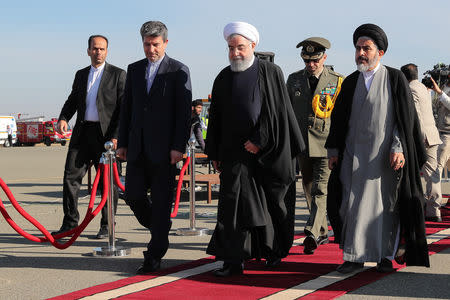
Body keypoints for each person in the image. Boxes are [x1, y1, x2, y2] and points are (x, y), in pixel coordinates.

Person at [325, 24, 429, 274]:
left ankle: (384, 256)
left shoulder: (394, 79)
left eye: (366, 48)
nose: (361, 53)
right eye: (358, 48)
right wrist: (334, 151)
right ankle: (353, 256)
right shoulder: (350, 82)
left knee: (384, 208)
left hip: (384, 158)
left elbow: (403, 121)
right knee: (349, 206)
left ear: (380, 53)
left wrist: (399, 147)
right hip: (353, 155)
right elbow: (338, 120)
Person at [205, 21, 304, 277]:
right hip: (233, 154)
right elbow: (215, 118)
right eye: (230, 48)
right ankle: (233, 259)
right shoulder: (223, 77)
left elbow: (277, 111)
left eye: (240, 47)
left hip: (265, 154)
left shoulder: (270, 72)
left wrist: (260, 139)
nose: (235, 53)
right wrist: (214, 152)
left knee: (271, 204)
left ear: (253, 45)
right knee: (232, 205)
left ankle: (271, 251)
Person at [116, 21, 192, 274]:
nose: (151, 49)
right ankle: (160, 230)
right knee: (133, 196)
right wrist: (123, 143)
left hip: (165, 151)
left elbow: (183, 114)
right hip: (136, 148)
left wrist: (177, 147)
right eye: (147, 44)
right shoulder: (134, 69)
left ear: (166, 43)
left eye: (156, 44)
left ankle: (155, 252)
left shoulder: (178, 70)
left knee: (161, 203)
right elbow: (128, 108)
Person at [52, 35, 126, 239]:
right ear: (88, 51)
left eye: (102, 49)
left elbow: (123, 109)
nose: (98, 52)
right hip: (82, 135)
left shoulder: (118, 75)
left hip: (107, 139)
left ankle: (107, 225)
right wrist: (64, 117)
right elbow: (73, 99)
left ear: (107, 51)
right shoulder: (81, 74)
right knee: (70, 178)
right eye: (95, 49)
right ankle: (69, 224)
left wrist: (117, 137)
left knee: (107, 184)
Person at [286, 37, 344, 255]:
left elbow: (342, 115)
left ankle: (311, 231)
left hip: (327, 143)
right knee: (309, 189)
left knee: (321, 188)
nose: (311, 65)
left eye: (315, 61)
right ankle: (321, 231)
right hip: (302, 143)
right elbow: (287, 112)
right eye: (307, 60)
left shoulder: (337, 81)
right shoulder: (293, 80)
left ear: (324, 58)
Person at [401, 64, 442, 222]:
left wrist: (419, 137)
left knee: (413, 172)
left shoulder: (410, 89)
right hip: (433, 135)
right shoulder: (424, 89)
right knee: (433, 173)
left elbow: (416, 114)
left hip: (422, 137)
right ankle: (434, 210)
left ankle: (420, 205)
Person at [431, 74, 450, 216]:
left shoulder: (442, 90)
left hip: (447, 133)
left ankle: (434, 207)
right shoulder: (444, 86)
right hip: (440, 131)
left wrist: (439, 93)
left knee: (436, 168)